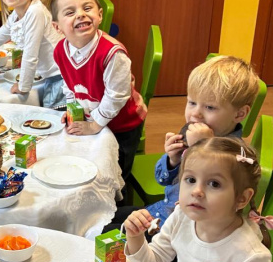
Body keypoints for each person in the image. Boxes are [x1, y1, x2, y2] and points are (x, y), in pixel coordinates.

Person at [121, 137, 273, 262]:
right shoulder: (181, 217)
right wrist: (135, 237)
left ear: (241, 198)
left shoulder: (249, 256)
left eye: (214, 184)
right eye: (190, 180)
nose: (197, 191)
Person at [110, 54, 261, 236]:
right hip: (161, 211)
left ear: (239, 114)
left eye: (210, 107)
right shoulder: (190, 133)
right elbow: (162, 179)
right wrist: (172, 161)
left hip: (179, 232)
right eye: (192, 103)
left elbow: (214, 208)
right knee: (104, 217)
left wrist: (203, 147)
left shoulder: (238, 157)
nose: (195, 114)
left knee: (106, 236)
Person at [49, 0, 147, 182]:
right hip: (92, 116)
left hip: (123, 124)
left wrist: (95, 125)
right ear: (57, 27)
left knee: (116, 174)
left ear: (100, 15)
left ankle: (120, 200)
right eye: (70, 12)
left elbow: (116, 96)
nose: (80, 15)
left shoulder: (113, 53)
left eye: (87, 8)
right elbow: (69, 85)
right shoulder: (60, 51)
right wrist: (74, 111)